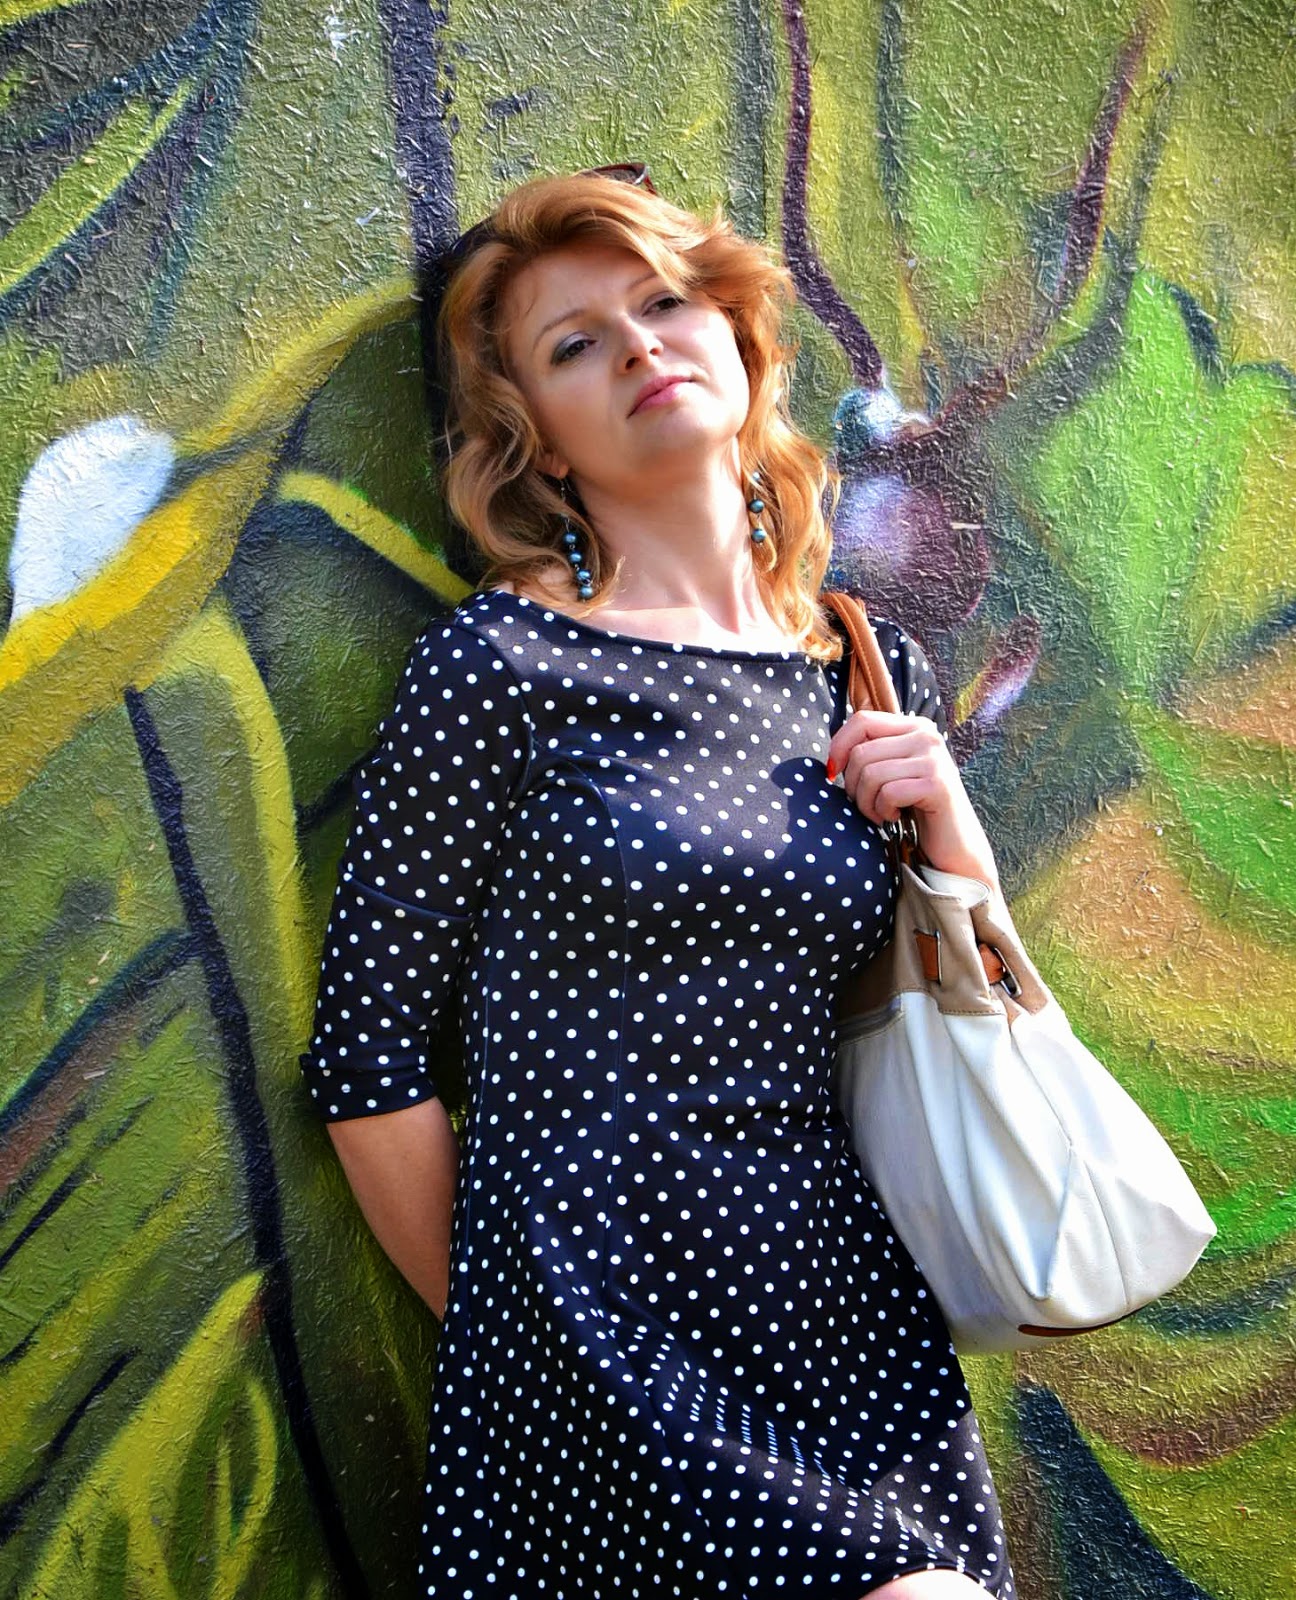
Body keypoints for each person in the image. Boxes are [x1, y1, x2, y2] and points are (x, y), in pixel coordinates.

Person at [300, 165, 1015, 1598]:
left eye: (665, 304)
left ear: (738, 341)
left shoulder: (864, 666)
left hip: (842, 1308)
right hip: (592, 1327)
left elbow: (975, 991)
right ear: (539, 441)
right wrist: (522, 1348)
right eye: (576, 344)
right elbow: (367, 1069)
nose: (638, 347)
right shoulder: (499, 668)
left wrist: (951, 826)